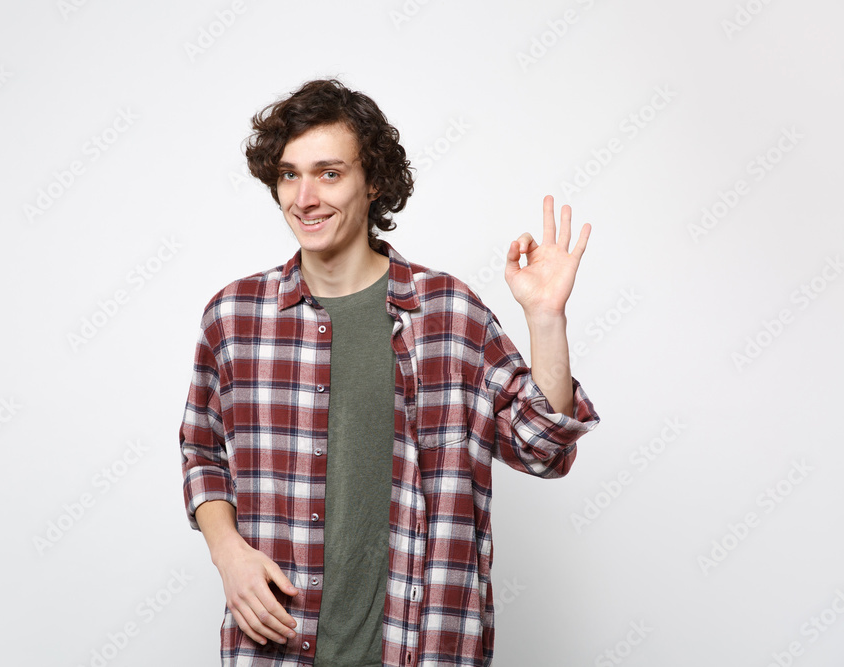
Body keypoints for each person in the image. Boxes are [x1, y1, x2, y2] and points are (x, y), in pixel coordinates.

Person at [180, 78, 600, 667]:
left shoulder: (448, 313)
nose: (305, 197)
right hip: (273, 649)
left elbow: (544, 450)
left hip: (421, 645)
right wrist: (229, 555)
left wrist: (547, 318)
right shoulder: (234, 316)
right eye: (289, 174)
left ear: (374, 181)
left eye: (329, 173)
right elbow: (202, 452)